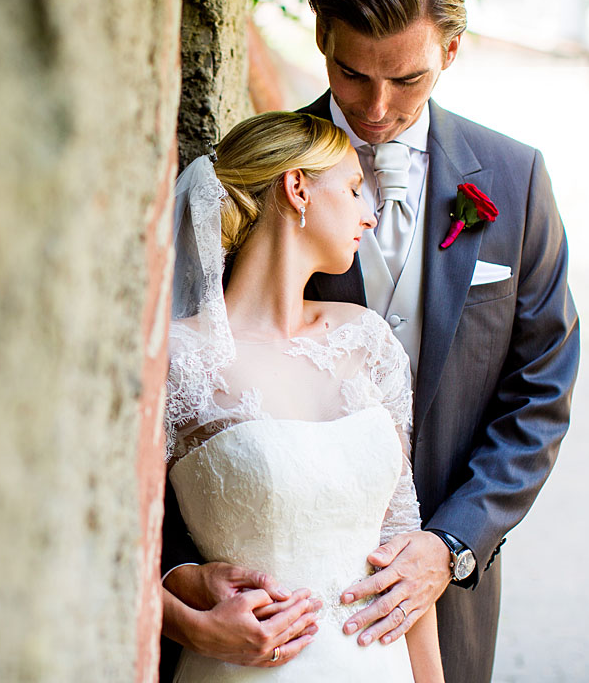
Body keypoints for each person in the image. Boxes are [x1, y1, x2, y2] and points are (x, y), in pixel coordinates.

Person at [161, 0, 579, 683]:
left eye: (407, 79)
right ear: (321, 40)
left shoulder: (515, 184)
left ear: (449, 53)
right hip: (263, 609)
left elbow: (541, 393)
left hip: (443, 590)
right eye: (353, 74)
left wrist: (448, 545)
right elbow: (182, 434)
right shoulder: (253, 179)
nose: (377, 108)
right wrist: (182, 579)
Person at [162, 111, 444, 682]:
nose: (369, 214)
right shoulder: (181, 360)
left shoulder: (369, 342)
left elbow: (402, 552)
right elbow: (106, 547)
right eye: (354, 188)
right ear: (298, 188)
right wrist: (190, 626)